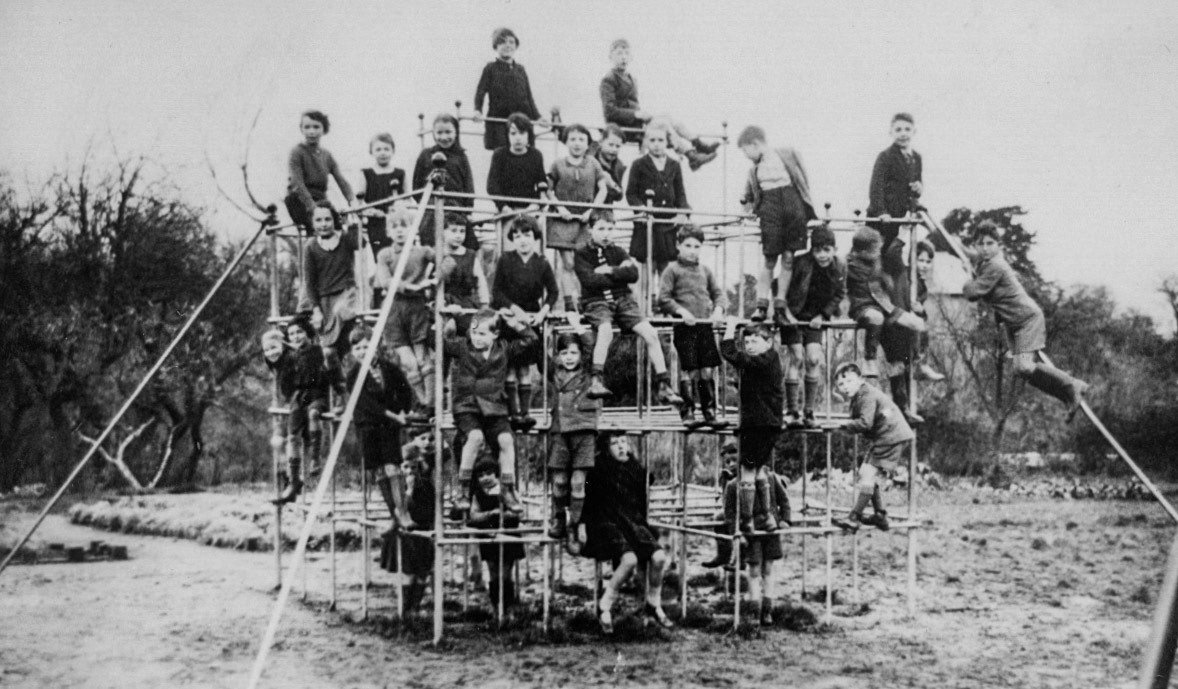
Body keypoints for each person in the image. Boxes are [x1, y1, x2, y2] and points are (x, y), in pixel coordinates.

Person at [962, 221, 1088, 413]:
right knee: (1022, 371)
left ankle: (1073, 385)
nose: (985, 248)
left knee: (1024, 367)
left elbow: (971, 293)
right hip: (1014, 324)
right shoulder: (985, 261)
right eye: (981, 244)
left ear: (998, 245)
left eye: (990, 243)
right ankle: (1068, 396)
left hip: (1027, 320)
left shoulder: (996, 265)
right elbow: (966, 252)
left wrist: (966, 274)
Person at [574, 209, 683, 405]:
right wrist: (619, 273)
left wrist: (609, 270)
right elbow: (589, 280)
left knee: (650, 333)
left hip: (623, 301)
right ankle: (597, 379)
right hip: (596, 302)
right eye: (601, 229)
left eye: (610, 229)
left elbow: (633, 274)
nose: (606, 234)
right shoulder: (582, 254)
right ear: (590, 230)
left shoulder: (618, 251)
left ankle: (664, 385)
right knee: (605, 331)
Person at [443, 309, 537, 513]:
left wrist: (515, 323)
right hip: (467, 407)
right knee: (475, 438)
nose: (476, 338)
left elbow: (531, 340)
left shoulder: (503, 349)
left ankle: (507, 489)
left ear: (495, 334)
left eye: (482, 334)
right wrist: (448, 323)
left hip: (495, 408)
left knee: (506, 440)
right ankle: (462, 490)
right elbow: (439, 342)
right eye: (474, 333)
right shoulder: (462, 347)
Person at [583, 433, 674, 633]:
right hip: (608, 522)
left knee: (659, 558)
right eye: (614, 443)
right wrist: (581, 524)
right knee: (629, 560)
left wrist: (646, 477)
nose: (621, 447)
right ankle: (604, 607)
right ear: (606, 449)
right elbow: (589, 501)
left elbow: (644, 482)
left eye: (624, 442)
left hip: (633, 521)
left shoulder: (633, 465)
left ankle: (653, 603)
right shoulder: (598, 470)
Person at [737, 126, 818, 325]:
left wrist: (806, 205)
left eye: (746, 151)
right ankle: (762, 305)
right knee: (770, 257)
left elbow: (803, 178)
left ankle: (780, 305)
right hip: (770, 207)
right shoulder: (754, 170)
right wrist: (746, 210)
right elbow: (748, 197)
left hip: (792, 204)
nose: (747, 157)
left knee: (789, 257)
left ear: (754, 144)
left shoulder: (787, 153)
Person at [598, 38, 718, 170]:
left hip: (635, 124)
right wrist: (636, 114)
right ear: (611, 57)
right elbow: (609, 111)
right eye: (619, 53)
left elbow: (632, 104)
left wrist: (642, 115)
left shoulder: (630, 78)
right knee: (662, 124)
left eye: (626, 53)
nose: (623, 57)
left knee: (667, 117)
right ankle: (691, 155)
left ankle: (698, 144)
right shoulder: (608, 80)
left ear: (631, 57)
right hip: (622, 128)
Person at [491, 215, 558, 429]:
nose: (522, 240)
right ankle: (513, 414)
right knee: (510, 366)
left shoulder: (542, 263)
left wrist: (543, 313)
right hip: (510, 319)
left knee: (525, 369)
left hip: (531, 319)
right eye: (517, 236)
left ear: (535, 237)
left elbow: (553, 292)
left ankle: (526, 413)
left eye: (527, 235)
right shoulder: (506, 259)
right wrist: (513, 309)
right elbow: (497, 292)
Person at [658, 225, 728, 428]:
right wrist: (681, 312)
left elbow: (719, 294)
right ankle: (688, 412)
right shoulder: (671, 270)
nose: (692, 250)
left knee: (706, 370)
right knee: (689, 370)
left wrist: (718, 310)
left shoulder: (705, 271)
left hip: (704, 327)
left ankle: (710, 412)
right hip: (684, 327)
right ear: (678, 245)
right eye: (687, 245)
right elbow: (663, 298)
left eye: (697, 246)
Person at [346, 326, 416, 529]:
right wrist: (394, 416)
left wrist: (403, 410)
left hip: (388, 426)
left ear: (376, 347)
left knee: (393, 467)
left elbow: (405, 389)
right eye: (358, 348)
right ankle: (393, 513)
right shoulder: (353, 376)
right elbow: (368, 405)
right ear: (353, 352)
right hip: (368, 426)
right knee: (379, 471)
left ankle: (403, 512)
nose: (362, 351)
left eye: (366, 346)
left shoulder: (389, 368)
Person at [719, 317, 783, 534]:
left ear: (769, 342)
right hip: (770, 424)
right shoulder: (769, 360)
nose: (749, 346)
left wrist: (729, 328)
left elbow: (729, 353)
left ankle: (747, 519)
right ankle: (767, 517)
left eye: (755, 341)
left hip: (756, 424)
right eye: (746, 342)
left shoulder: (765, 359)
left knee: (747, 469)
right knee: (758, 469)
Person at [831, 362, 913, 533]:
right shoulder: (860, 395)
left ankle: (854, 518)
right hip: (886, 435)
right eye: (840, 384)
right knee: (865, 472)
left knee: (868, 475)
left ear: (860, 379)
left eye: (849, 381)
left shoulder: (866, 395)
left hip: (891, 436)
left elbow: (865, 423)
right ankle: (880, 514)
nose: (845, 387)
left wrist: (842, 425)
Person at [374, 209, 437, 422]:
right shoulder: (385, 255)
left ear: (414, 228)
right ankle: (421, 402)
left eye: (405, 225)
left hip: (416, 309)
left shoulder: (422, 251)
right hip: (394, 310)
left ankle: (432, 403)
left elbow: (446, 260)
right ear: (388, 231)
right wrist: (406, 287)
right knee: (409, 363)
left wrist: (434, 279)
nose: (400, 231)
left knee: (423, 359)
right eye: (395, 227)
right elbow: (385, 281)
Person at [780, 224, 845, 427]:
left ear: (834, 249)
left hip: (815, 319)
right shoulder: (801, 264)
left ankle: (809, 412)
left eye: (827, 250)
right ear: (811, 250)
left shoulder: (839, 267)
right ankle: (792, 412)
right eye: (817, 250)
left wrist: (823, 315)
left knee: (814, 359)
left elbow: (839, 294)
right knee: (797, 357)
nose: (822, 255)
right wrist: (787, 313)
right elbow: (779, 286)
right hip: (793, 316)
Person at [262, 318, 329, 505]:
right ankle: (293, 481)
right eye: (291, 334)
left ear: (307, 333)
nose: (296, 337)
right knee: (292, 437)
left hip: (317, 395)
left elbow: (329, 368)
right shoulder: (290, 356)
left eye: (299, 332)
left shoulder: (318, 351)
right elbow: (274, 358)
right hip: (299, 397)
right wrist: (274, 343)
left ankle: (316, 458)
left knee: (314, 414)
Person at [845, 226, 926, 379]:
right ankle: (870, 359)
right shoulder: (849, 264)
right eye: (875, 250)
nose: (878, 253)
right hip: (863, 306)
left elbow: (891, 254)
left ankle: (918, 363)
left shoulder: (876, 260)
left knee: (918, 323)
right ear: (863, 252)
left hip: (885, 306)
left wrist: (902, 233)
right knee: (877, 318)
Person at [544, 326, 599, 550]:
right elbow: (542, 354)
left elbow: (591, 347)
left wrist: (578, 327)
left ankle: (575, 524)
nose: (568, 358)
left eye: (573, 353)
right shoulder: (554, 372)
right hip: (559, 429)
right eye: (564, 353)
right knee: (559, 481)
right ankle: (558, 517)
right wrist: (546, 333)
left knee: (578, 482)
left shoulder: (588, 373)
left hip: (584, 429)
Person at [547, 123, 609, 312]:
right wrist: (560, 208)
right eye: (573, 139)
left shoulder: (593, 163)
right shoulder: (557, 164)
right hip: (562, 222)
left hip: (584, 222)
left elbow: (603, 189)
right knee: (568, 263)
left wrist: (591, 210)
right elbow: (548, 191)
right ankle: (568, 304)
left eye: (581, 139)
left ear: (587, 143)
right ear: (566, 141)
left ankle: (585, 300)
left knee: (583, 264)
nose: (577, 143)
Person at [879, 239, 942, 424]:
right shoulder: (901, 272)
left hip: (906, 332)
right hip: (892, 325)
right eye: (920, 260)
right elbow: (891, 254)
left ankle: (904, 408)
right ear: (912, 259)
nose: (923, 265)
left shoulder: (921, 287)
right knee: (897, 365)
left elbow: (921, 315)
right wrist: (903, 234)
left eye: (927, 262)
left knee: (904, 366)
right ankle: (902, 407)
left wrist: (921, 310)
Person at [723, 455, 791, 625]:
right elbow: (729, 515)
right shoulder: (733, 486)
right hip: (751, 534)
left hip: (770, 531)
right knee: (754, 571)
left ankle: (767, 611)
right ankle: (755, 611)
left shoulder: (770, 478)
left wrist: (785, 520)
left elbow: (784, 500)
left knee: (768, 569)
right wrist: (737, 533)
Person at [300, 201, 363, 373]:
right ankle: (340, 392)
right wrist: (316, 310)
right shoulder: (311, 246)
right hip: (325, 301)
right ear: (313, 223)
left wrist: (352, 221)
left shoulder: (344, 238)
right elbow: (310, 282)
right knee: (328, 352)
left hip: (347, 295)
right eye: (318, 220)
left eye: (327, 219)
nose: (323, 224)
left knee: (349, 346)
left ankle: (356, 386)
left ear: (334, 220)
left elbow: (360, 243)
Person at [626, 122, 689, 274]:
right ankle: (648, 297)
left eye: (660, 140)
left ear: (667, 142)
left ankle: (663, 297)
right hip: (647, 222)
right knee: (648, 265)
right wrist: (641, 209)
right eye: (652, 140)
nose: (656, 144)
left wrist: (682, 212)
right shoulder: (639, 164)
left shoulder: (674, 165)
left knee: (666, 267)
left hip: (667, 224)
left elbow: (680, 194)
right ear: (646, 142)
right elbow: (631, 194)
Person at [379, 448, 436, 615]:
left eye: (414, 468)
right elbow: (399, 512)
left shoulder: (426, 485)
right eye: (406, 467)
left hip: (423, 532)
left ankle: (415, 609)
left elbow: (431, 509)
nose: (410, 471)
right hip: (407, 534)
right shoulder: (397, 487)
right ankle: (405, 612)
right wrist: (409, 491)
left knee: (422, 574)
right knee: (408, 573)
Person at [467, 458, 526, 611]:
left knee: (506, 572)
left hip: (509, 534)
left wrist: (501, 514)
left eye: (489, 474)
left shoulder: (507, 490)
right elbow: (473, 515)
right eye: (480, 475)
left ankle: (508, 609)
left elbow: (519, 514)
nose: (485, 478)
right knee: (493, 571)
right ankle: (496, 608)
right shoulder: (477, 495)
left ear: (497, 474)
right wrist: (489, 514)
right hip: (488, 536)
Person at [412, 113, 477, 248]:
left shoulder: (461, 157)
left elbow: (468, 186)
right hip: (432, 208)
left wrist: (468, 211)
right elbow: (416, 186)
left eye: (448, 132)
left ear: (456, 132)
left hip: (456, 208)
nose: (444, 137)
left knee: (467, 245)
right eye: (439, 132)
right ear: (434, 133)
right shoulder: (426, 155)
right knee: (431, 244)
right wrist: (428, 203)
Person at [285, 110, 355, 234]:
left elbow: (341, 180)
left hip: (320, 199)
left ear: (323, 129)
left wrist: (352, 200)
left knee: (338, 231)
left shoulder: (326, 155)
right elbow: (297, 184)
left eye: (316, 127)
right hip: (300, 200)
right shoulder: (297, 152)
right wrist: (313, 208)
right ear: (301, 129)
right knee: (321, 229)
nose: (311, 131)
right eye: (307, 127)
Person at [473, 27, 543, 152]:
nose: (507, 45)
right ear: (496, 46)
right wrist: (477, 110)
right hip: (500, 122)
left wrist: (538, 117)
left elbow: (529, 97)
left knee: (526, 155)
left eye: (511, 42)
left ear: (516, 46)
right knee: (502, 156)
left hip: (522, 121)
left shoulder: (520, 70)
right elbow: (480, 92)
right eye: (502, 42)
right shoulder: (490, 68)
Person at [867, 112, 923, 252]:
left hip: (901, 218)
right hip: (882, 219)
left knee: (892, 255)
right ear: (890, 132)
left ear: (914, 132)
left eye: (907, 129)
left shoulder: (916, 158)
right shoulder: (885, 157)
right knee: (875, 254)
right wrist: (881, 212)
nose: (903, 134)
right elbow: (876, 187)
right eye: (898, 130)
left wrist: (919, 188)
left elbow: (917, 184)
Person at [439, 212, 490, 335]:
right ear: (443, 231)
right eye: (454, 231)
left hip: (465, 304)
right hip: (443, 303)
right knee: (446, 328)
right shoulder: (437, 254)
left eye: (462, 231)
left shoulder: (470, 256)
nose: (458, 235)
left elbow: (481, 282)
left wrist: (484, 305)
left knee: (475, 330)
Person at [356, 132, 405, 257]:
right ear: (371, 152)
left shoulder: (400, 173)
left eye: (386, 149)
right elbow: (360, 201)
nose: (382, 152)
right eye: (378, 149)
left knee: (399, 255)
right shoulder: (366, 173)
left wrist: (399, 206)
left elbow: (408, 199)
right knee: (380, 255)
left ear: (393, 151)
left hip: (396, 221)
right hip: (376, 222)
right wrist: (371, 211)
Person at [486, 113, 547, 211]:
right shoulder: (499, 155)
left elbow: (542, 182)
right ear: (508, 135)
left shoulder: (536, 155)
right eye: (513, 133)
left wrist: (535, 204)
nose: (518, 138)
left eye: (522, 133)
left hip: (530, 208)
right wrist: (503, 206)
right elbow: (492, 186)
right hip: (506, 209)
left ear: (528, 134)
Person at [701, 439, 740, 569]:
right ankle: (723, 554)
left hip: (748, 509)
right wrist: (726, 481)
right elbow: (726, 500)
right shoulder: (726, 476)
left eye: (735, 460)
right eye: (728, 462)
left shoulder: (746, 472)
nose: (731, 464)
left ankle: (741, 558)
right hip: (732, 510)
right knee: (719, 517)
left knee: (739, 525)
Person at [593, 124, 628, 205]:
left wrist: (612, 184)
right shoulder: (589, 159)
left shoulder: (619, 166)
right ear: (601, 142)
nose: (614, 149)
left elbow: (619, 196)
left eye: (618, 146)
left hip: (605, 209)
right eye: (611, 145)